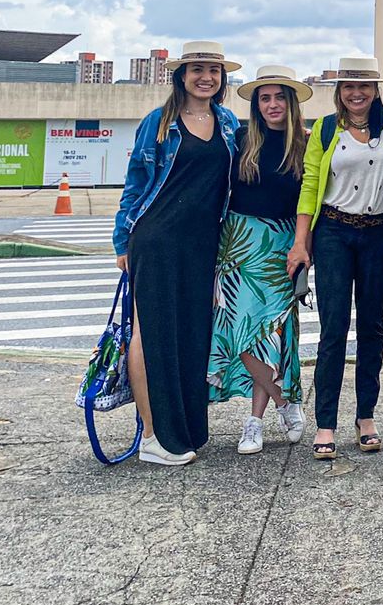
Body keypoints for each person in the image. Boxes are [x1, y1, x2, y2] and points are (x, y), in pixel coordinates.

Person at [113, 41, 240, 466]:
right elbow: (135, 182)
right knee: (151, 332)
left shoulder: (227, 122)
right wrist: (122, 241)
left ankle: (184, 429)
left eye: (214, 70)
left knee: (191, 333)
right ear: (181, 75)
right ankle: (153, 436)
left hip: (202, 243)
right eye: (197, 69)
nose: (206, 77)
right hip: (157, 238)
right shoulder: (160, 121)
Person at [287, 56, 383, 461]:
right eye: (349, 87)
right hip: (334, 232)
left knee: (372, 328)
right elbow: (309, 186)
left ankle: (366, 417)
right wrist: (301, 243)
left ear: (375, 90)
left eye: (364, 86)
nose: (357, 93)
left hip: (379, 233)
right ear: (339, 92)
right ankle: (326, 424)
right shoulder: (325, 129)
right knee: (333, 330)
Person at [208, 64, 311, 454]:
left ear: (291, 102)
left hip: (284, 244)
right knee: (240, 333)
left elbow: (311, 200)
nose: (272, 104)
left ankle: (254, 422)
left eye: (279, 97)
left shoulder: (305, 143)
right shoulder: (239, 139)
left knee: (270, 334)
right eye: (264, 98)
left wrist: (304, 246)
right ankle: (285, 403)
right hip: (238, 243)